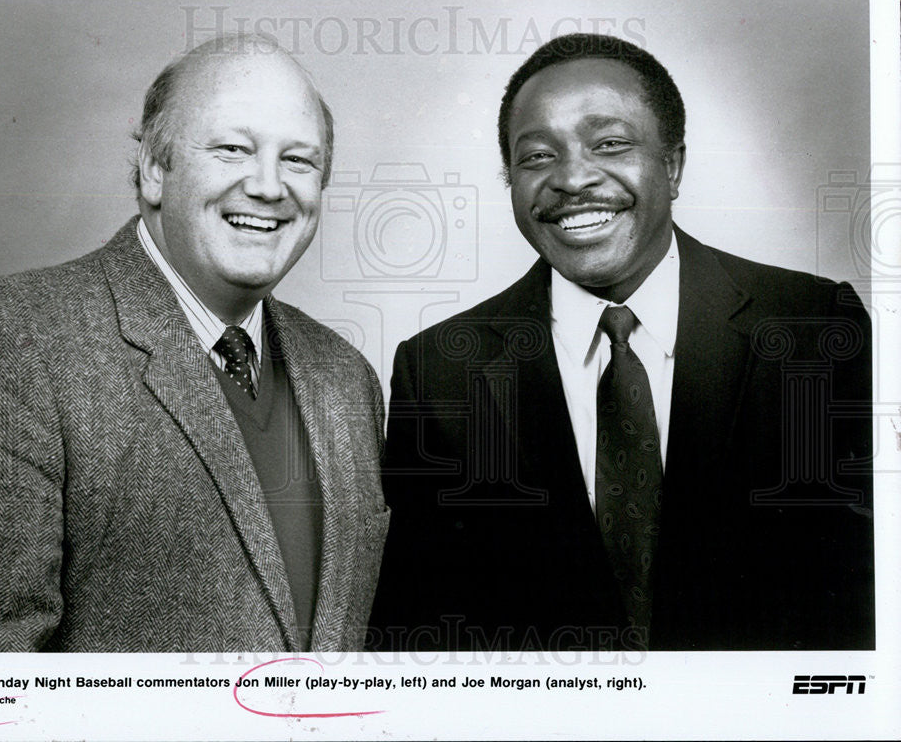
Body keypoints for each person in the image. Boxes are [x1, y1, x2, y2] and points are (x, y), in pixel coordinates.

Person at [371, 33, 873, 651]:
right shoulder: (439, 372)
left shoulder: (813, 328)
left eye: (609, 144)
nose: (573, 178)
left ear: (673, 165)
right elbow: (416, 633)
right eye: (536, 157)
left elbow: (864, 595)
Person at [0, 34, 388, 652]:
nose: (268, 186)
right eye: (232, 149)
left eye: (299, 161)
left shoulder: (347, 377)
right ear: (154, 168)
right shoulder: (10, 341)